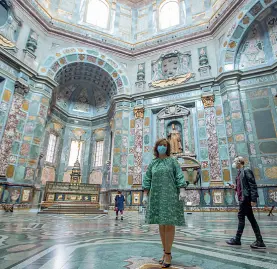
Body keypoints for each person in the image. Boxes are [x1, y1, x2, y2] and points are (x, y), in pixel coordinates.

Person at [142, 138, 187, 268]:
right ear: (156, 148)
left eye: (164, 145)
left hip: (171, 195)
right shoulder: (153, 163)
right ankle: (164, 252)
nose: (162, 147)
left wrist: (182, 190)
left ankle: (168, 253)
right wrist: (145, 195)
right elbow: (147, 179)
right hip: (156, 195)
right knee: (161, 224)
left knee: (169, 224)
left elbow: (179, 175)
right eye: (160, 145)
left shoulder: (172, 161)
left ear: (168, 148)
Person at [226, 156, 266, 249]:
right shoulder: (240, 173)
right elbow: (242, 187)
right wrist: (234, 187)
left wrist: (253, 199)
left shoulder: (246, 171)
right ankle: (259, 241)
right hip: (243, 198)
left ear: (239, 162)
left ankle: (237, 239)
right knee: (251, 219)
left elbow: (252, 185)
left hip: (245, 199)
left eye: (235, 161)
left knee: (241, 217)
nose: (234, 163)